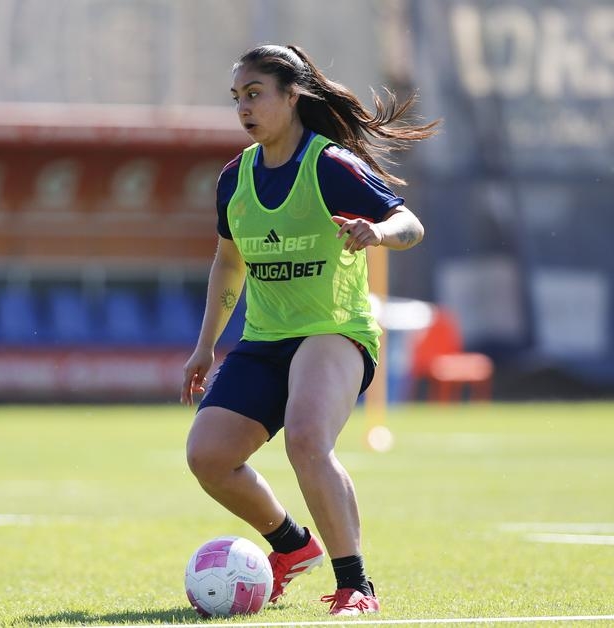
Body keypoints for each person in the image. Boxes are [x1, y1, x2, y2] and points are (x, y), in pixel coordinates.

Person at [180, 44, 438, 616]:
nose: (244, 108)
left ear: (293, 95)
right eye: (237, 98)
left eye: (255, 94)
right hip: (265, 339)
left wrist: (378, 232)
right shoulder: (235, 178)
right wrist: (205, 346)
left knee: (305, 440)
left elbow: (410, 224)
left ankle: (356, 587)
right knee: (208, 456)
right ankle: (293, 546)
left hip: (334, 330)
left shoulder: (329, 165)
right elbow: (228, 262)